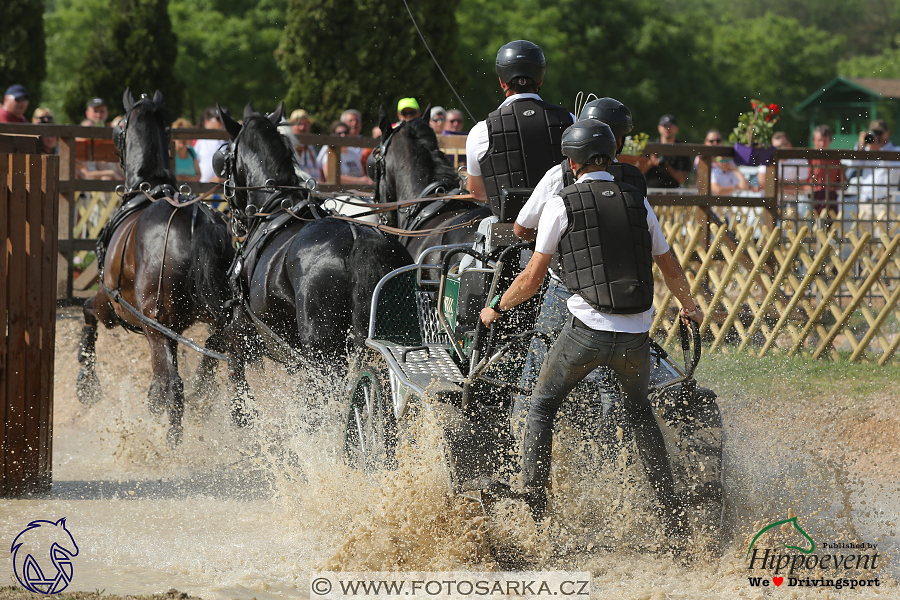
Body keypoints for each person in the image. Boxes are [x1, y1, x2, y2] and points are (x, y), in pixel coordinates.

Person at [481, 120, 703, 537]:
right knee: (639, 413)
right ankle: (672, 515)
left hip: (586, 332)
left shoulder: (561, 203)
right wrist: (690, 307)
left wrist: (495, 306)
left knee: (542, 403)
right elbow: (669, 265)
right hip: (636, 335)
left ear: (572, 161)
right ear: (613, 156)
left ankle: (534, 503)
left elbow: (531, 280)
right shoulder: (638, 202)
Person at [511, 97, 646, 458]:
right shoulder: (634, 180)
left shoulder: (562, 174)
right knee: (611, 385)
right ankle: (608, 456)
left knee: (536, 375)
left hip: (567, 292)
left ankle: (521, 446)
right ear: (619, 142)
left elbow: (522, 226)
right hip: (626, 297)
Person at [465, 39, 574, 207]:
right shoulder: (572, 121)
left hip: (505, 226)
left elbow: (477, 193)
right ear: (540, 80)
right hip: (564, 224)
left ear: (502, 82)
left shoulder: (480, 131)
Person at [316, 121, 372, 185]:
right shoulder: (331, 154)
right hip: (340, 192)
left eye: (346, 132)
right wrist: (358, 180)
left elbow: (362, 175)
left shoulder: (354, 154)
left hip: (359, 191)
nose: (343, 135)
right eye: (339, 133)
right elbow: (331, 177)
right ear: (333, 135)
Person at [644, 114, 691, 189]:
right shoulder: (650, 146)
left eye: (670, 126)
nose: (667, 128)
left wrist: (666, 166)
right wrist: (651, 162)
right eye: (664, 126)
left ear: (676, 128)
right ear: (659, 128)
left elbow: (682, 179)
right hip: (651, 188)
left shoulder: (681, 148)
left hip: (674, 190)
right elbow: (639, 172)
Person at [807, 125, 843, 216]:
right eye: (819, 140)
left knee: (832, 227)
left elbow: (841, 180)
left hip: (830, 198)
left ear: (830, 141)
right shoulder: (808, 158)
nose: (822, 144)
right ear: (813, 141)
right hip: (810, 197)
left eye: (825, 140)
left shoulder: (835, 159)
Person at [701, 130, 750, 195]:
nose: (715, 143)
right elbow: (717, 190)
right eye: (711, 141)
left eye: (718, 141)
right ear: (706, 142)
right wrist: (736, 188)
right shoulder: (702, 160)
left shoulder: (730, 168)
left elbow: (745, 186)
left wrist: (735, 169)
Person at [193, 106, 230, 184]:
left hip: (225, 189)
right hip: (202, 189)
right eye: (218, 119)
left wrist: (223, 179)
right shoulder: (201, 141)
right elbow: (193, 163)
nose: (222, 123)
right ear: (207, 122)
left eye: (226, 119)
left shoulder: (231, 142)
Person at [288, 109, 321, 179]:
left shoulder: (311, 145)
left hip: (316, 186)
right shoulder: (287, 146)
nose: (302, 127)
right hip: (301, 186)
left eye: (305, 124)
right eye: (299, 124)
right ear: (291, 126)